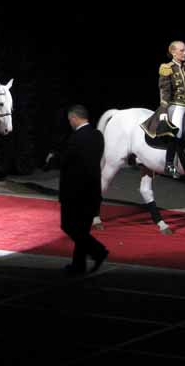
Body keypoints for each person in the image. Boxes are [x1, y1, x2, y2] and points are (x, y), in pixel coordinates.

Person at [142, 41, 185, 177]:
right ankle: (169, 164)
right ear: (173, 52)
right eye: (181, 51)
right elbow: (165, 92)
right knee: (177, 131)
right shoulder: (167, 68)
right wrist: (163, 111)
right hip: (175, 106)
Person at [58, 104, 109, 275]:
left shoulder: (76, 138)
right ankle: (78, 265)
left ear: (74, 118)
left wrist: (53, 159)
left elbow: (66, 161)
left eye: (69, 120)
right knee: (82, 229)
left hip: (75, 192)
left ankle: (98, 251)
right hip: (93, 191)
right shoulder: (98, 136)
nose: (69, 123)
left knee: (69, 226)